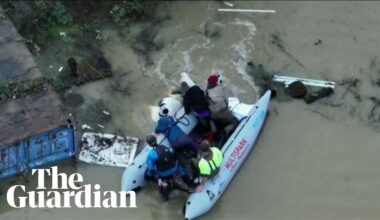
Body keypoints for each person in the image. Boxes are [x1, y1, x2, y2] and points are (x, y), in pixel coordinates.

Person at [145, 135, 190, 201]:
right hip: (174, 169)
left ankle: (165, 196)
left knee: (150, 170)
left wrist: (157, 178)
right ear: (156, 140)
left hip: (164, 174)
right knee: (178, 167)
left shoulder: (151, 154)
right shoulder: (164, 147)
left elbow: (151, 168)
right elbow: (171, 155)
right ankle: (188, 182)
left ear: (149, 144)